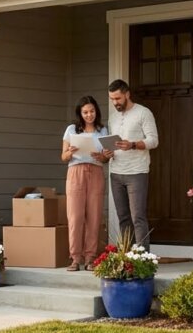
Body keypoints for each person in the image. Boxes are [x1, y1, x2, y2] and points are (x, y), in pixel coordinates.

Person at [103, 79, 158, 249]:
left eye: (118, 98)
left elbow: (154, 141)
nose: (115, 103)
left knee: (138, 217)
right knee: (123, 217)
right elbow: (113, 144)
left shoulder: (143, 113)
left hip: (137, 172)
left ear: (127, 94)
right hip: (116, 172)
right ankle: (126, 258)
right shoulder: (112, 118)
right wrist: (107, 153)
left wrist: (132, 144)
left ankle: (143, 259)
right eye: (112, 99)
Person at [61, 96, 109, 271]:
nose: (89, 115)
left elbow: (106, 157)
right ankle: (75, 258)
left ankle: (90, 258)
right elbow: (63, 156)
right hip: (76, 172)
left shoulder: (103, 130)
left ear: (97, 111)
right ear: (80, 113)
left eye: (92, 111)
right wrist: (70, 152)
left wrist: (102, 156)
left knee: (94, 216)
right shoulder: (72, 129)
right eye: (85, 112)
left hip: (96, 171)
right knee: (75, 216)